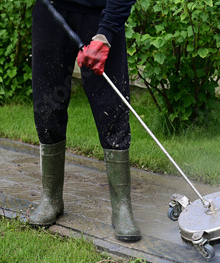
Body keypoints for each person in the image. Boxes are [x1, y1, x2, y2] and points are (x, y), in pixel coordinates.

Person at [28, 0, 141, 242]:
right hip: (51, 11)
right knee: (47, 108)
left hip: (100, 16)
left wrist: (107, 32)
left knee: (112, 109)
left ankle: (122, 207)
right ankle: (51, 198)